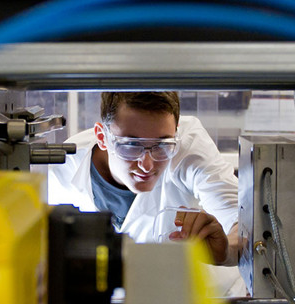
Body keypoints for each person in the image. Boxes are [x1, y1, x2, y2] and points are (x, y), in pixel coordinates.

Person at [48, 91, 240, 267]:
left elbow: (242, 222)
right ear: (102, 137)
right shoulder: (66, 166)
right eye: (131, 145)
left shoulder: (188, 146)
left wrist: (226, 252)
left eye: (161, 145)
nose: (147, 165)